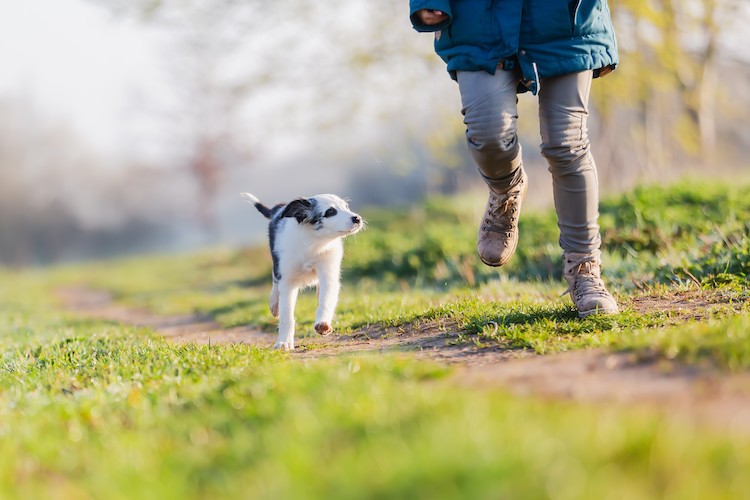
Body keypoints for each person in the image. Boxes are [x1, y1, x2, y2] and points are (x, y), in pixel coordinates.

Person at [410, 0, 620, 318]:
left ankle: (585, 270)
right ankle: (506, 188)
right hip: (479, 18)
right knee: (489, 134)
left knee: (568, 144)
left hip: (564, 19)